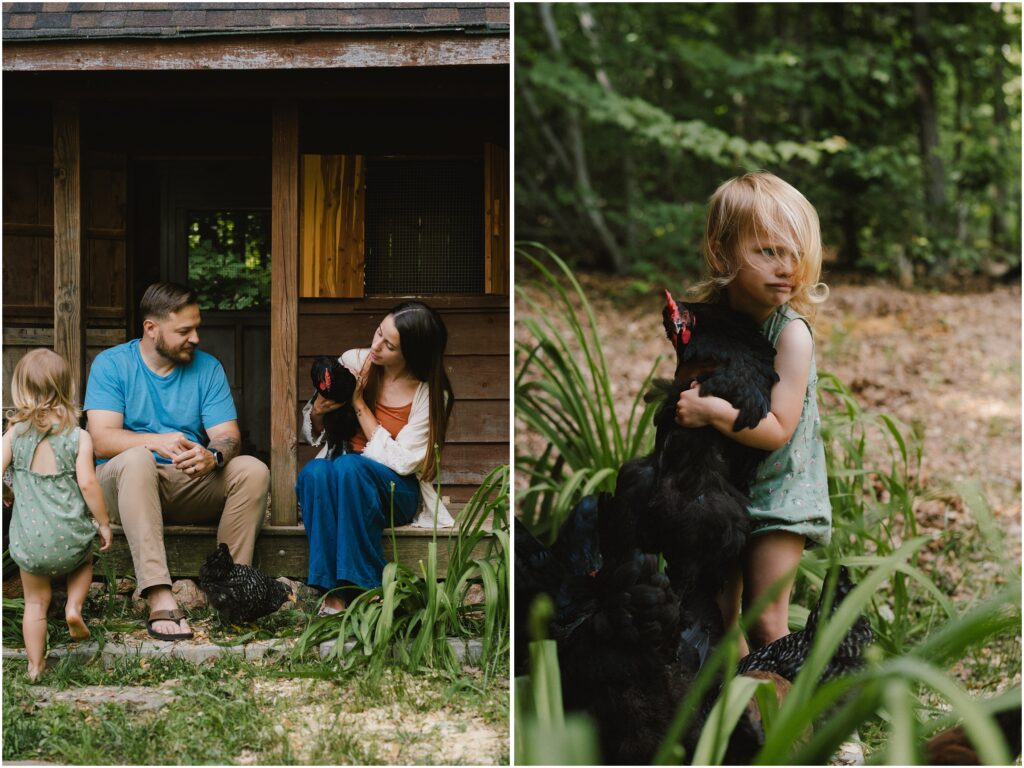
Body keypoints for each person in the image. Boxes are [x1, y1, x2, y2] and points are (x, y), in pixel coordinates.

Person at [673, 171, 831, 654]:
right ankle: (740, 720)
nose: (787, 267)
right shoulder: (715, 323)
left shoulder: (791, 334)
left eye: (795, 253)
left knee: (765, 622)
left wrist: (711, 412)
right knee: (719, 621)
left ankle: (797, 721)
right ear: (723, 254)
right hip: (727, 491)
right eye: (768, 251)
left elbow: (779, 428)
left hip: (781, 495)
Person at [84, 282, 270, 641]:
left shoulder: (207, 368)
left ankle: (230, 586)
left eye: (196, 327)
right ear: (151, 329)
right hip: (126, 486)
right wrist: (156, 441)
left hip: (185, 483)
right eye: (184, 330)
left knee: (253, 470)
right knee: (137, 459)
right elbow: (101, 439)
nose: (196, 338)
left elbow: (228, 435)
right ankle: (158, 594)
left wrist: (212, 455)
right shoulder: (112, 364)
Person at [298, 301, 455, 614]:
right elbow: (317, 431)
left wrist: (359, 403)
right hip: (341, 475)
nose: (376, 346)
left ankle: (367, 585)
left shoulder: (430, 393)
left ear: (412, 354)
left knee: (349, 467)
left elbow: (403, 462)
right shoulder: (354, 361)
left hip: (395, 491)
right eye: (378, 332)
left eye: (389, 345)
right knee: (314, 472)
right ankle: (332, 590)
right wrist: (316, 412)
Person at [2, 349, 113, 680]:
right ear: (68, 387)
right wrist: (103, 523)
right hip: (70, 535)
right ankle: (73, 607)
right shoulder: (79, 437)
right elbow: (89, 484)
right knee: (84, 560)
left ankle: (35, 667)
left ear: (20, 388)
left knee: (35, 604)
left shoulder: (14, 435)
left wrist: (8, 492)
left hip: (30, 542)